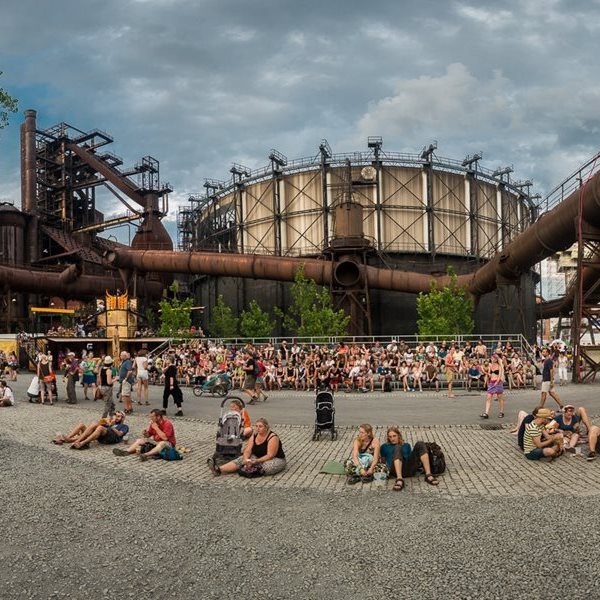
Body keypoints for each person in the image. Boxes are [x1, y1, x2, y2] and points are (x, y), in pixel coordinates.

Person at [207, 417, 286, 476]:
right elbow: (248, 450)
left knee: (268, 467)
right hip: (257, 456)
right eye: (256, 426)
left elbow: (270, 455)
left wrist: (256, 461)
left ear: (266, 428)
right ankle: (219, 469)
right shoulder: (254, 435)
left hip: (275, 458)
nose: (258, 428)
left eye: (260, 426)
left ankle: (251, 468)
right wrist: (246, 459)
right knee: (240, 460)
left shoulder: (272, 437)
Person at [379, 426, 439, 490]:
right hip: (394, 470)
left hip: (408, 469)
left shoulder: (406, 445)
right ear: (388, 437)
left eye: (394, 436)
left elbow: (410, 458)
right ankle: (399, 479)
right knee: (397, 447)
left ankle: (428, 475)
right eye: (390, 437)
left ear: (398, 435)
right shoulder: (384, 446)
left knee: (420, 443)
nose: (392, 438)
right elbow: (383, 462)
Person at [53, 411, 128, 447]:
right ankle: (68, 438)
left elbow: (119, 434)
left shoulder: (124, 426)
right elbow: (96, 424)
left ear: (122, 418)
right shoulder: (110, 421)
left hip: (110, 438)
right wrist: (106, 421)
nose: (116, 417)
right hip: (99, 434)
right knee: (82, 424)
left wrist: (111, 426)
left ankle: (81, 442)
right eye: (116, 415)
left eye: (119, 416)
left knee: (99, 427)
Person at [481, 354, 505, 419]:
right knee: (488, 398)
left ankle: (501, 412)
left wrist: (496, 382)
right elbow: (489, 374)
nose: (492, 359)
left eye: (493, 358)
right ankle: (486, 413)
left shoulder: (499, 366)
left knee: (500, 398)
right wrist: (487, 374)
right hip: (492, 382)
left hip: (498, 383)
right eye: (491, 358)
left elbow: (499, 376)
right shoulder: (490, 366)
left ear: (496, 359)